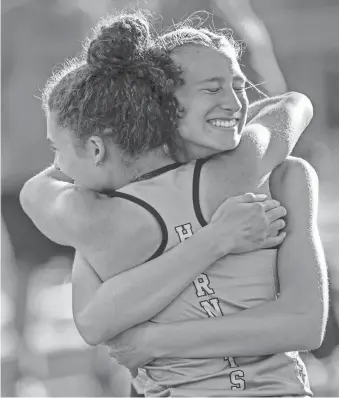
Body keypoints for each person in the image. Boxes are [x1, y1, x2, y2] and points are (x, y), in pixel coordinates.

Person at [20, 12, 327, 397]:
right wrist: (213, 239)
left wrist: (158, 341)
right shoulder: (244, 169)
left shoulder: (97, 214)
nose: (233, 102)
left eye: (239, 86)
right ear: (164, 104)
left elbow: (305, 324)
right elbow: (293, 104)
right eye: (211, 89)